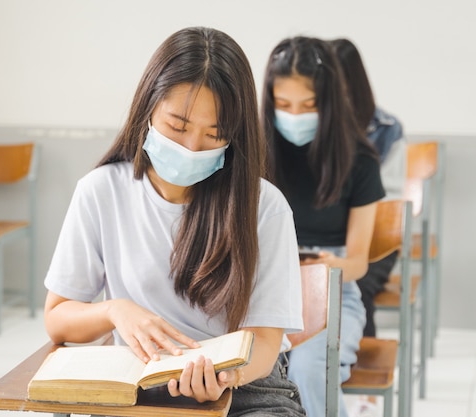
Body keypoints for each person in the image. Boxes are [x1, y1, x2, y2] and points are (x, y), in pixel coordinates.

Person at [43, 27, 307, 416]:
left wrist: (221, 378)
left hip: (244, 388)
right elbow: (58, 318)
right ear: (149, 106)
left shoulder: (264, 207)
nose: (191, 148)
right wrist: (115, 310)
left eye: (214, 135)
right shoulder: (100, 191)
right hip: (140, 386)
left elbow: (265, 346)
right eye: (178, 126)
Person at [260, 36, 385, 417]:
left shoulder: (359, 159)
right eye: (283, 105)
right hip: (266, 287)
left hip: (333, 290)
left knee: (308, 369)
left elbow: (359, 264)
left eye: (309, 105)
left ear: (328, 104)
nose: (294, 115)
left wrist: (323, 267)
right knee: (256, 370)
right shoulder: (256, 150)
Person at [331, 37, 407, 417]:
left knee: (356, 285)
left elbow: (392, 205)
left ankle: (359, 390)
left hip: (373, 243)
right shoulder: (314, 132)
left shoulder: (386, 129)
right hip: (329, 242)